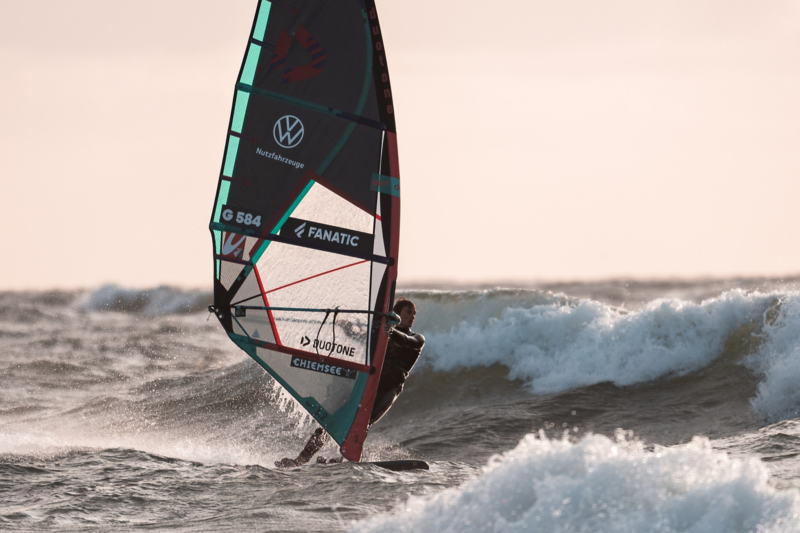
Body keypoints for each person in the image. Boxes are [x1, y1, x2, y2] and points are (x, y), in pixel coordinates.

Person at [275, 298, 425, 467]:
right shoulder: (383, 335)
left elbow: (406, 341)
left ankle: (343, 459)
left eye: (414, 313)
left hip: (388, 389)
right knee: (331, 420)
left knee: (362, 422)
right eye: (408, 312)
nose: (412, 316)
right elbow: (358, 336)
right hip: (368, 384)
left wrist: (387, 328)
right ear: (397, 315)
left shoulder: (417, 338)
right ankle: (300, 460)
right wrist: (343, 324)